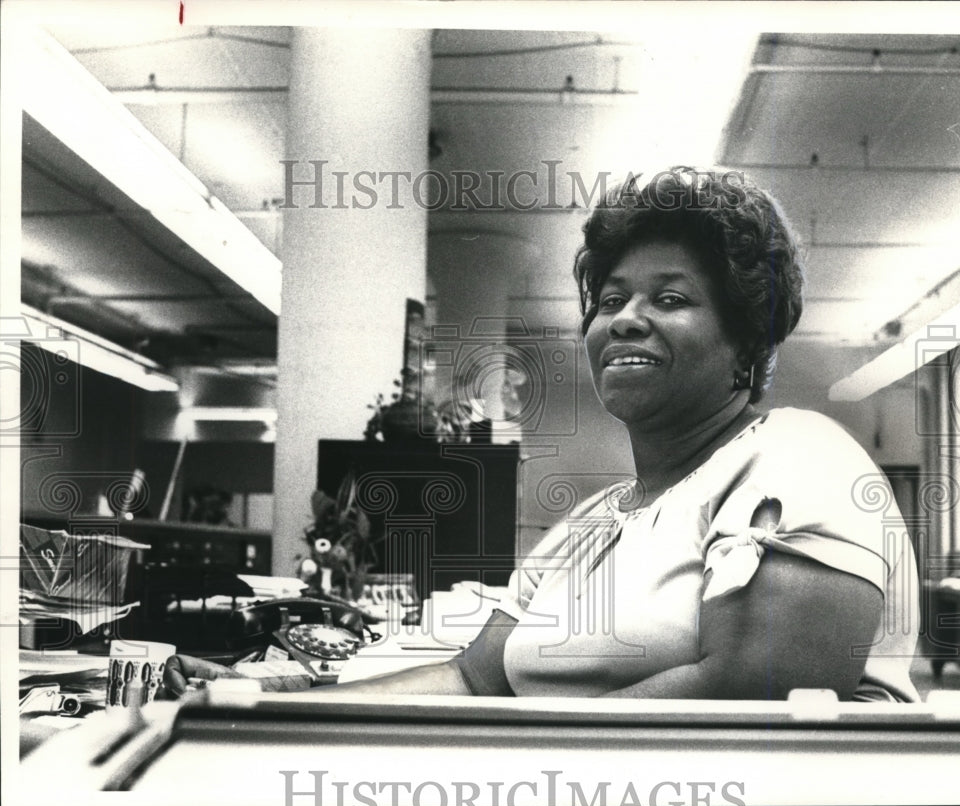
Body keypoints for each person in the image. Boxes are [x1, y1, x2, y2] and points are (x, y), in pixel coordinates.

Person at [165, 167, 919, 702]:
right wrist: (279, 694)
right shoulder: (593, 525)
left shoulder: (795, 457)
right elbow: (470, 678)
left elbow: (754, 689)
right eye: (612, 297)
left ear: (748, 341)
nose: (625, 317)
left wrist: (513, 766)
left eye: (671, 297)